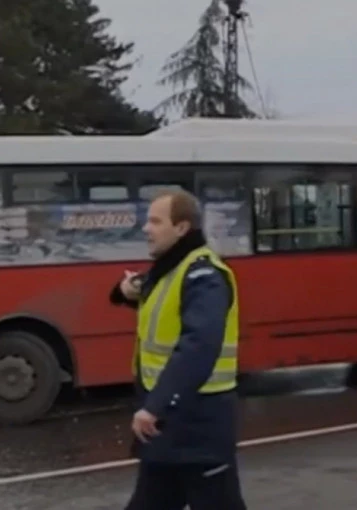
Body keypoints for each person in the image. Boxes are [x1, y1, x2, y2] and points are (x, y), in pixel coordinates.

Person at [109, 189, 247, 510]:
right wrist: (124, 290)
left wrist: (155, 406)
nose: (146, 228)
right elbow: (155, 301)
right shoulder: (171, 269)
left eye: (156, 221)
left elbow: (199, 345)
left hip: (199, 429)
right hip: (169, 431)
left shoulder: (204, 275)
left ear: (182, 228)